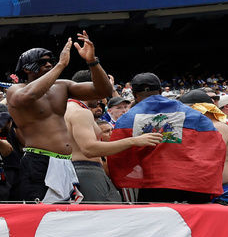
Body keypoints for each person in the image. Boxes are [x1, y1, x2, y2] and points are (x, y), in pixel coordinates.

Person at [7, 33, 112, 203]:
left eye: (51, 61)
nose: (49, 64)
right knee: (41, 215)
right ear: (26, 68)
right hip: (38, 161)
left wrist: (92, 62)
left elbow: (103, 91)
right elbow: (28, 96)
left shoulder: (62, 86)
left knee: (66, 214)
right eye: (42, 62)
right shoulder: (16, 90)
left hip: (65, 163)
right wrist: (61, 64)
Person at [108, 73, 225, 203]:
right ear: (161, 91)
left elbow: (118, 156)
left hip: (153, 185)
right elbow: (215, 146)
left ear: (134, 94)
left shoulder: (126, 119)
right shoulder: (192, 114)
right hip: (191, 183)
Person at [64, 70, 162, 203]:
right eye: (100, 88)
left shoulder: (67, 109)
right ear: (88, 87)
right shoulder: (80, 112)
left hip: (81, 171)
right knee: (107, 217)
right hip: (87, 172)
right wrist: (134, 141)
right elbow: (89, 149)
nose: (102, 95)